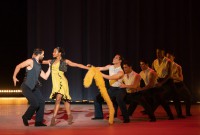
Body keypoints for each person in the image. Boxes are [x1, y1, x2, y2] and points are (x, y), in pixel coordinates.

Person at [42, 47, 89, 126]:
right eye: (53, 52)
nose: (52, 53)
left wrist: (87, 68)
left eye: (54, 51)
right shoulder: (51, 61)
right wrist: (33, 59)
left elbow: (77, 65)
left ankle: (54, 118)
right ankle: (70, 115)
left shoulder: (64, 61)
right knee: (65, 100)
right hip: (55, 83)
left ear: (59, 53)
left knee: (58, 98)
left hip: (62, 82)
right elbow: (40, 61)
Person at [13, 48, 51, 126]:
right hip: (26, 87)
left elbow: (45, 77)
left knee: (41, 102)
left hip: (34, 87)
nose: (43, 56)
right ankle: (25, 117)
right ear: (39, 54)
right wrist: (14, 76)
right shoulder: (30, 61)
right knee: (35, 104)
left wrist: (50, 67)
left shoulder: (39, 65)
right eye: (43, 54)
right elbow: (18, 66)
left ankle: (38, 122)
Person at [91, 54, 130, 123]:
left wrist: (101, 74)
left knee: (119, 99)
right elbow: (100, 68)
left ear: (120, 61)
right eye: (114, 57)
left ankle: (126, 118)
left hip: (120, 89)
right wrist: (91, 68)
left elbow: (112, 78)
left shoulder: (121, 71)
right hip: (112, 89)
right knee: (97, 98)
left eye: (116, 58)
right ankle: (99, 116)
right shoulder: (110, 66)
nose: (114, 58)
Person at [152, 49, 185, 118]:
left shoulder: (168, 61)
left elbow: (169, 75)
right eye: (157, 53)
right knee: (159, 97)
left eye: (160, 53)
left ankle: (179, 114)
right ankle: (150, 110)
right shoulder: (154, 62)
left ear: (163, 53)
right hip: (159, 80)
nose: (158, 54)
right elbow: (153, 73)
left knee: (176, 96)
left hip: (168, 80)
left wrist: (162, 83)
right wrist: (155, 81)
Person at [166, 52, 193, 116]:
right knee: (174, 98)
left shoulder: (177, 67)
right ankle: (179, 113)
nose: (168, 59)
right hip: (170, 85)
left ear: (173, 57)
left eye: (169, 57)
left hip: (179, 84)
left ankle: (188, 112)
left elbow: (181, 79)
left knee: (188, 96)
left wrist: (172, 77)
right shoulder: (164, 66)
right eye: (167, 57)